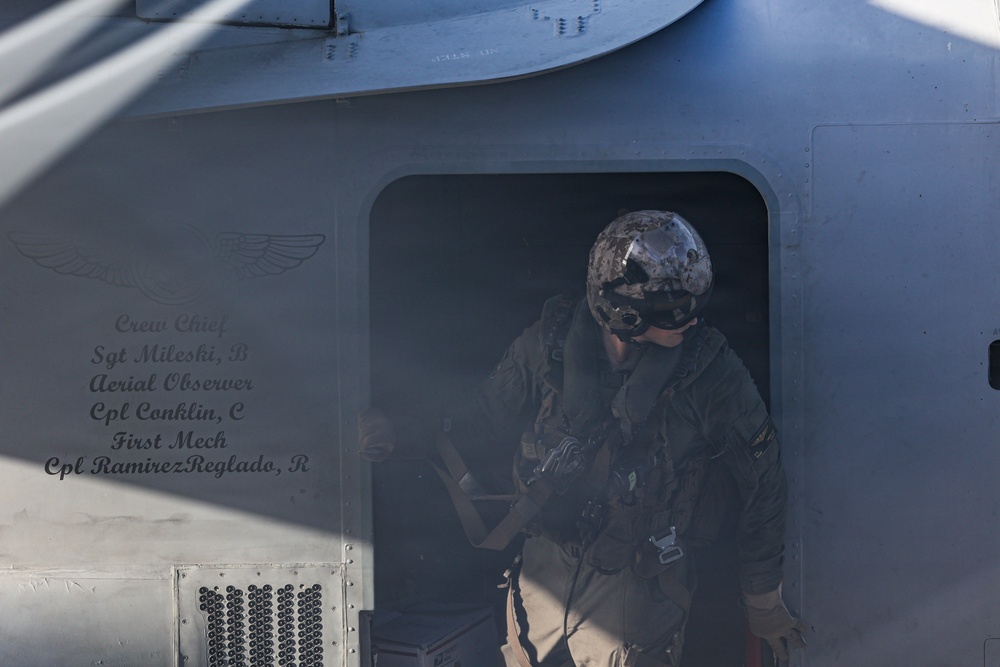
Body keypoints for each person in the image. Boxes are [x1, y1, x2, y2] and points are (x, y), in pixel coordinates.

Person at [360, 210, 807, 666]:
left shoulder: (712, 374)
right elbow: (480, 416)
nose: (691, 320)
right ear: (625, 309)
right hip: (543, 567)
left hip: (639, 579)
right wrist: (401, 432)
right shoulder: (548, 347)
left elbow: (763, 482)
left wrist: (763, 601)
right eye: (674, 309)